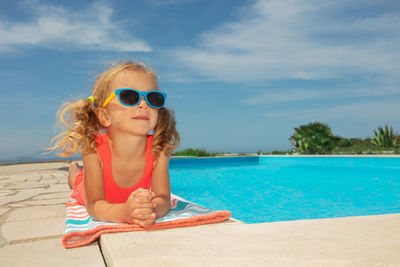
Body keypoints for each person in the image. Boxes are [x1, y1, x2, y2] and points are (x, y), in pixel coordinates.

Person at [47, 61, 179, 228]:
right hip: (87, 190)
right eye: (129, 97)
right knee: (78, 185)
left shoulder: (159, 150)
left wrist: (153, 208)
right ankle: (73, 172)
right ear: (104, 116)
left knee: (82, 180)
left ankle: (77, 172)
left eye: (153, 98)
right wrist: (124, 213)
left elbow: (163, 198)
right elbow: (94, 205)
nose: (143, 104)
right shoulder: (93, 149)